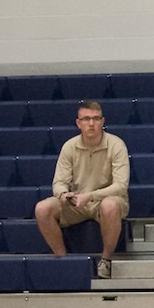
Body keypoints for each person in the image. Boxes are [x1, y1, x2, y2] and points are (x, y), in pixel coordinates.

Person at [36, 101, 129, 280]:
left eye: (95, 118)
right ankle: (63, 260)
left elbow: (121, 185)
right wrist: (64, 195)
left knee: (110, 205)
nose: (91, 123)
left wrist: (91, 196)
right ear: (78, 123)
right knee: (42, 208)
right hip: (77, 202)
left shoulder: (116, 145)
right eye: (86, 119)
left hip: (104, 201)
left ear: (103, 121)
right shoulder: (69, 147)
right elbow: (59, 182)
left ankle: (106, 260)